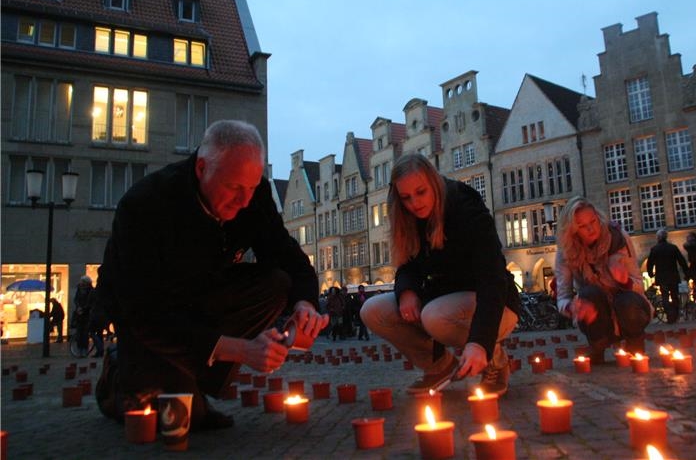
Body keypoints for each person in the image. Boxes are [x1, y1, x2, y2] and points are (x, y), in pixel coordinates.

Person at [94, 120, 329, 431]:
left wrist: (305, 305)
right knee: (172, 414)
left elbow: (287, 256)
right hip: (146, 314)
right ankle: (120, 373)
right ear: (202, 168)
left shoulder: (252, 197)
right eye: (233, 188)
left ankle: (187, 380)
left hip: (206, 294)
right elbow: (144, 313)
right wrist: (241, 349)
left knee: (277, 283)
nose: (244, 201)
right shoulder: (146, 205)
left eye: (252, 187)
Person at [360, 153, 521, 395]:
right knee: (372, 311)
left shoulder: (464, 204)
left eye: (421, 192)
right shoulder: (408, 218)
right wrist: (407, 291)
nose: (414, 203)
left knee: (434, 316)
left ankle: (495, 358)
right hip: (440, 300)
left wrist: (479, 342)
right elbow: (408, 265)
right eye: (406, 197)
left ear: (434, 182)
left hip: (494, 304)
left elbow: (492, 275)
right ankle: (439, 367)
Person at [555, 197, 652, 363]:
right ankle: (597, 344)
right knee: (588, 294)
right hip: (598, 313)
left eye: (593, 221)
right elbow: (562, 296)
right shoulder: (566, 252)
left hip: (627, 308)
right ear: (572, 230)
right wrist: (573, 307)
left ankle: (635, 341)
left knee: (626, 301)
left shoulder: (618, 239)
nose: (591, 229)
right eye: (582, 226)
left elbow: (639, 285)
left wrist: (624, 281)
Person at [646, 229, 689, 324]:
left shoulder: (655, 249)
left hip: (662, 278)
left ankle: (670, 316)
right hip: (673, 276)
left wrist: (650, 273)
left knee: (665, 297)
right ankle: (675, 315)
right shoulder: (673, 248)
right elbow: (681, 260)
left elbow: (650, 263)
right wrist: (686, 272)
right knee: (675, 296)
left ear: (658, 238)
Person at [72, 276, 93, 356]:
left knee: (85, 333)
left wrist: (84, 308)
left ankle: (84, 349)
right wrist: (78, 307)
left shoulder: (90, 291)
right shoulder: (79, 290)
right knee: (79, 333)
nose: (81, 283)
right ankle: (79, 349)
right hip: (79, 314)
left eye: (82, 282)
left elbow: (90, 302)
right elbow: (76, 299)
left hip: (86, 314)